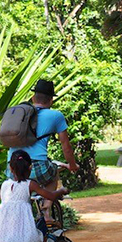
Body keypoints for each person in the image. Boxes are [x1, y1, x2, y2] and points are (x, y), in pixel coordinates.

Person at [7, 79, 79, 221]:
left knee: (22, 193)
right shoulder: (55, 116)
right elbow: (66, 146)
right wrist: (72, 165)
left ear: (33, 98)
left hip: (12, 168)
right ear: (51, 100)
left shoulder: (19, 114)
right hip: (37, 167)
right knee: (52, 173)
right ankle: (46, 210)